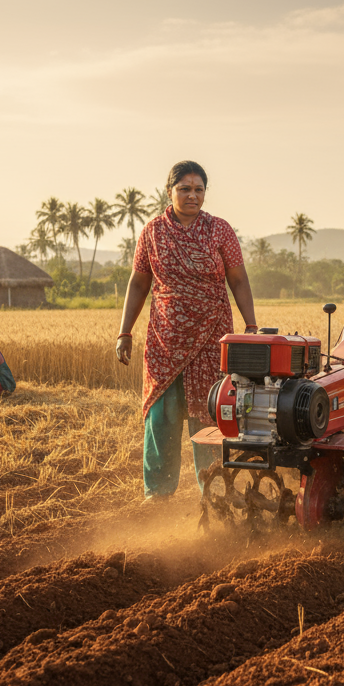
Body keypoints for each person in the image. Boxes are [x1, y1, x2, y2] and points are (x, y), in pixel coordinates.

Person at [115, 160, 258, 499]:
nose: (192, 196)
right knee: (161, 416)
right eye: (185, 189)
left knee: (208, 413)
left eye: (199, 189)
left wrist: (251, 325)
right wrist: (125, 332)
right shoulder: (152, 232)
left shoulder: (220, 230)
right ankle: (158, 493)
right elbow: (139, 283)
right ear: (170, 191)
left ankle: (213, 489)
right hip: (165, 338)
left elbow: (237, 278)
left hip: (212, 336)